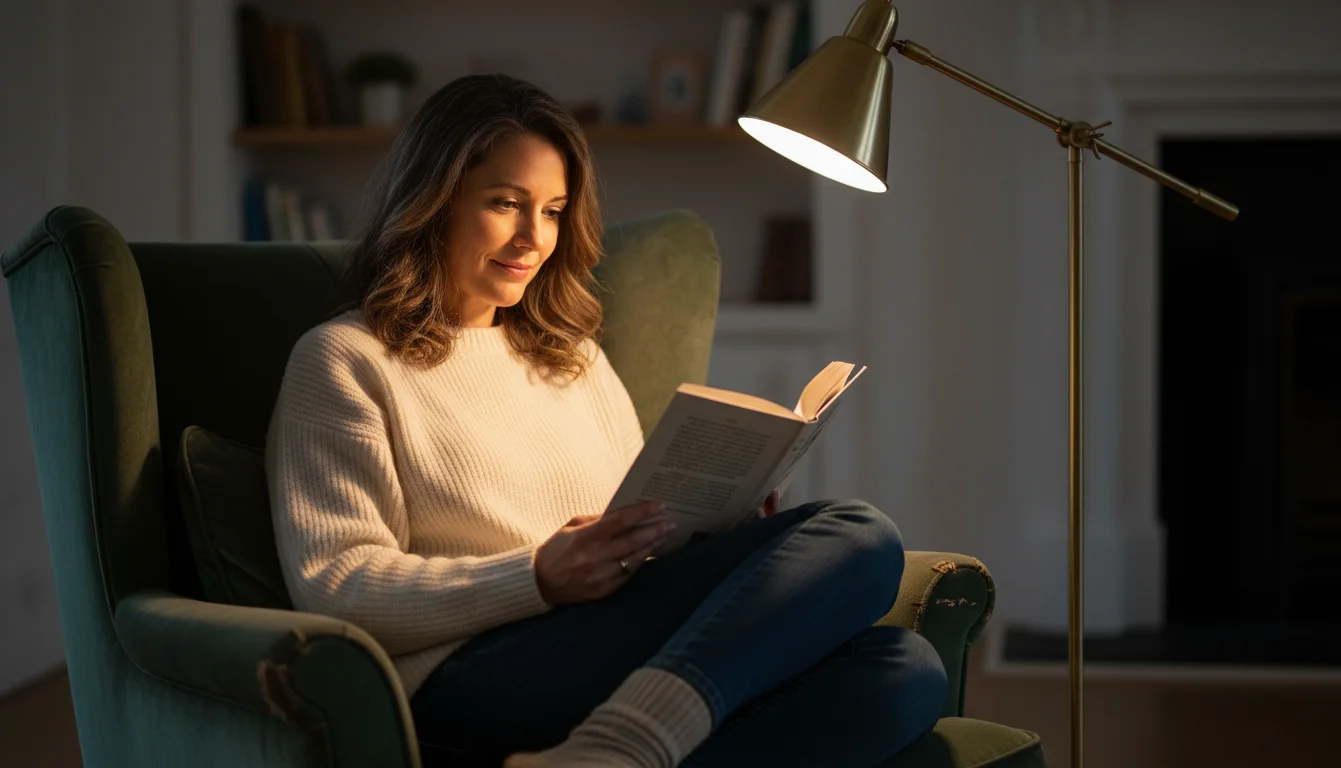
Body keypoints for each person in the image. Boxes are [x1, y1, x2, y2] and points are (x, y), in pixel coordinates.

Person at [265, 73, 947, 768]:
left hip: (612, 638)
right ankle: (622, 749)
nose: (534, 237)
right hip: (471, 669)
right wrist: (535, 575)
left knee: (905, 668)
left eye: (555, 211)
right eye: (506, 204)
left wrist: (721, 525)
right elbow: (337, 584)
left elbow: (636, 526)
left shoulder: (574, 359)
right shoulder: (345, 360)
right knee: (860, 532)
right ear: (431, 203)